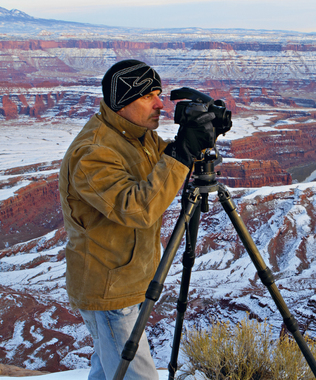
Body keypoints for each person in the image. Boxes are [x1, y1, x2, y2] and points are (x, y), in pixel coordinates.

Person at [59, 59, 207, 379]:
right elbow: (137, 209)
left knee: (109, 369)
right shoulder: (94, 152)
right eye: (148, 96)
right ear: (122, 102)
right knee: (135, 374)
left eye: (159, 93)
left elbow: (159, 167)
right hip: (108, 287)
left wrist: (195, 136)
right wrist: (183, 153)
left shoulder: (137, 135)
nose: (160, 104)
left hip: (129, 278)